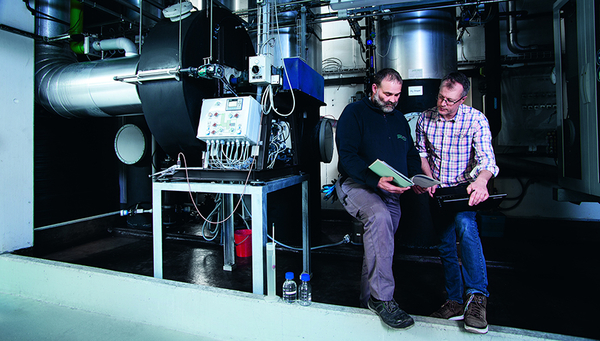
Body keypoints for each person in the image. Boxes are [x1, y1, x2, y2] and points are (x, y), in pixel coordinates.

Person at [335, 68, 422, 330]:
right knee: (379, 217)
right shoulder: (354, 114)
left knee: (379, 245)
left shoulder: (398, 120)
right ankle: (383, 299)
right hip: (358, 185)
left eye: (397, 95)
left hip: (391, 191)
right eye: (387, 94)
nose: (393, 99)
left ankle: (367, 302)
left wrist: (415, 177)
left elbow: (410, 153)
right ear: (374, 89)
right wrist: (374, 180)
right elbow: (348, 157)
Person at [414, 72, 499, 334]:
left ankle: (476, 299)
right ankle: (454, 301)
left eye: (450, 100)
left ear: (462, 99)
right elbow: (421, 152)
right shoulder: (425, 118)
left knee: (465, 225)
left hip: (465, 187)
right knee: (445, 244)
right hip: (438, 188)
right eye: (440, 97)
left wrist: (482, 182)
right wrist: (428, 179)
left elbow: (487, 161)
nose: (443, 104)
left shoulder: (476, 120)